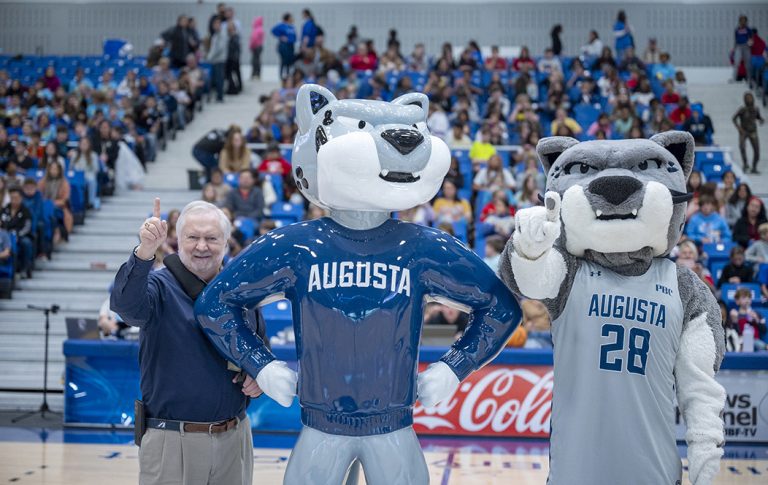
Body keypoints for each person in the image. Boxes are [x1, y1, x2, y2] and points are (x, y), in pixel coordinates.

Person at [110, 198, 262, 484]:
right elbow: (126, 307)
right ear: (177, 241)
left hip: (235, 438)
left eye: (211, 238)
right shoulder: (157, 287)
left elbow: (258, 347)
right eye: (192, 237)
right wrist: (145, 252)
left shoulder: (243, 292)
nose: (202, 246)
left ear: (226, 242)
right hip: (172, 441)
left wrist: (257, 375)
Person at [0, 187, 34, 278]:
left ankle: (24, 268)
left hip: (21, 235)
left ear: (21, 198)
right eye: (12, 198)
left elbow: (27, 226)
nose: (14, 200)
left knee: (26, 243)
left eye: (16, 198)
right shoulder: (4, 210)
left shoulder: (25, 211)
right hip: (5, 235)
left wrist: (18, 235)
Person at [38, 160, 73, 243]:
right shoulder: (43, 181)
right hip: (44, 205)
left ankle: (55, 232)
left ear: (59, 171)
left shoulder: (64, 182)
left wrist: (51, 203)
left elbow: (65, 199)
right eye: (52, 169)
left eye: (56, 169)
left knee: (53, 212)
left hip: (59, 206)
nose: (53, 171)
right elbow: (38, 194)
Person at [732, 92, 764, 173]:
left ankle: (754, 167)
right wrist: (739, 128)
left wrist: (761, 120)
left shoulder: (756, 109)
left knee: (757, 150)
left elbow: (758, 117)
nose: (749, 100)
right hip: (744, 131)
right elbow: (734, 119)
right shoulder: (742, 109)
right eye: (747, 98)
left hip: (753, 131)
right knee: (742, 147)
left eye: (750, 98)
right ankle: (745, 164)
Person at [71, 137, 101, 210]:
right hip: (77, 176)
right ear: (79, 145)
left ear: (89, 145)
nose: (84, 146)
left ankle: (91, 202)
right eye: (82, 144)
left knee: (92, 181)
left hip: (88, 174)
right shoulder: (75, 155)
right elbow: (71, 168)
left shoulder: (93, 155)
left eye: (85, 144)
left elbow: (96, 169)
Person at [206, 18, 228, 102]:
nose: (215, 26)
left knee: (219, 79)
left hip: (219, 60)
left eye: (217, 24)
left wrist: (210, 56)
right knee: (215, 79)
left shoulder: (222, 33)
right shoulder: (216, 34)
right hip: (214, 60)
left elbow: (219, 48)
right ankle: (216, 96)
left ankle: (220, 97)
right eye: (214, 24)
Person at [272, 13, 297, 81]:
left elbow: (294, 37)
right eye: (291, 17)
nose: (292, 19)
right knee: (283, 61)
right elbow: (273, 31)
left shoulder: (292, 26)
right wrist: (280, 36)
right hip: (284, 46)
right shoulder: (282, 25)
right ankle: (281, 76)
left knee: (289, 61)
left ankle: (288, 75)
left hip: (291, 46)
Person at [732, 15, 753, 83]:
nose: (743, 22)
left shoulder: (748, 29)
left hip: (746, 47)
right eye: (741, 20)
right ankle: (734, 79)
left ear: (746, 21)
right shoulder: (737, 29)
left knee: (748, 64)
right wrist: (734, 49)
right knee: (736, 63)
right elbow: (735, 39)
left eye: (744, 20)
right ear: (739, 21)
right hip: (739, 46)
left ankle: (749, 79)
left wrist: (750, 45)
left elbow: (751, 39)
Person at [225, 21, 242, 95]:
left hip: (233, 58)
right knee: (232, 74)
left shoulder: (235, 36)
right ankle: (233, 87)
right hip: (230, 57)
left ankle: (236, 88)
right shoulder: (228, 35)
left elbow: (236, 47)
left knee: (235, 73)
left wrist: (236, 57)